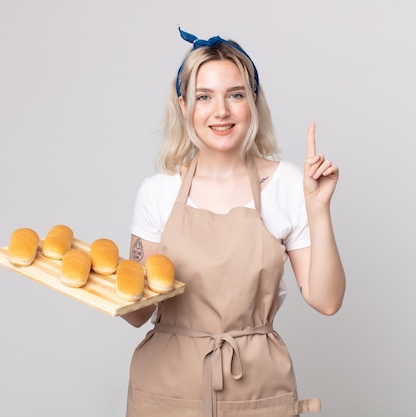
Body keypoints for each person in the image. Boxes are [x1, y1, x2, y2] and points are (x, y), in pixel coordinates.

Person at [122, 28, 346, 417]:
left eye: (236, 95)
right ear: (184, 105)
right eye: (204, 97)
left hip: (257, 387)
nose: (220, 111)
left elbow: (326, 301)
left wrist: (318, 208)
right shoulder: (158, 191)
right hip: (166, 390)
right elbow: (137, 314)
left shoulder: (288, 184)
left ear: (253, 102)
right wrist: (104, 279)